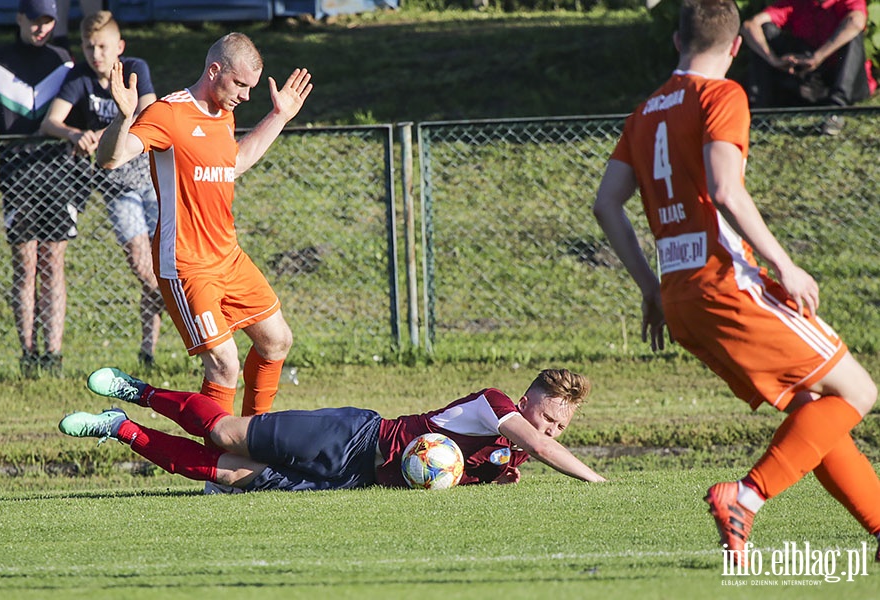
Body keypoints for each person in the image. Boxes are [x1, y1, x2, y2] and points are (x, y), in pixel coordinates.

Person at [592, 0, 880, 566]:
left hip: (680, 298)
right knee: (859, 391)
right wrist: (785, 264)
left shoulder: (645, 110)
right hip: (729, 284)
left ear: (677, 42)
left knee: (813, 411)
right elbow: (726, 189)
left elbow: (606, 205)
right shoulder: (722, 95)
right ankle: (744, 497)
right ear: (735, 46)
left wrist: (650, 289)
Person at [94, 33, 312, 416]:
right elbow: (110, 158)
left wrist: (280, 116)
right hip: (187, 265)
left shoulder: (223, 112)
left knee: (277, 341)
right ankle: (220, 471)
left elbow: (234, 164)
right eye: (241, 85)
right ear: (215, 71)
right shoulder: (169, 113)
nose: (245, 96)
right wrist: (123, 117)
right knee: (224, 364)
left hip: (228, 257)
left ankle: (254, 443)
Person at [58, 367, 607, 491]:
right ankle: (141, 393)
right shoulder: (497, 405)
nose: (552, 431)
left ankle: (121, 429)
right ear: (530, 398)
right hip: (354, 438)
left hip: (354, 481)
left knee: (231, 475)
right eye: (550, 416)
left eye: (562, 425)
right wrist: (597, 483)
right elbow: (532, 441)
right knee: (226, 432)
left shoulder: (513, 456)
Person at [42, 10, 163, 367]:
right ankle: (182, 314)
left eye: (103, 47)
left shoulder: (136, 67)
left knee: (164, 264)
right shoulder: (80, 78)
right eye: (89, 47)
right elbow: (52, 121)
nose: (96, 54)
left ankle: (149, 350)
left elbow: (150, 111)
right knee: (144, 269)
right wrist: (76, 134)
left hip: (152, 179)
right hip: (116, 186)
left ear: (119, 47)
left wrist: (116, 127)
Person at [0, 0, 82, 377]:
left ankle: (53, 355)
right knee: (25, 264)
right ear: (19, 18)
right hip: (17, 171)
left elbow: (81, 112)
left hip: (59, 171)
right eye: (35, 19)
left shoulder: (65, 60)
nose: (41, 27)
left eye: (48, 21)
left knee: (53, 262)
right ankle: (28, 353)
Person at [740, 0, 877, 134]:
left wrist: (819, 56)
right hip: (812, 80)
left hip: (846, 80)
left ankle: (835, 110)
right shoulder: (798, 3)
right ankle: (761, 110)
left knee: (851, 32)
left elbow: (857, 21)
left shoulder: (848, 2)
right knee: (763, 32)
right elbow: (750, 26)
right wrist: (773, 59)